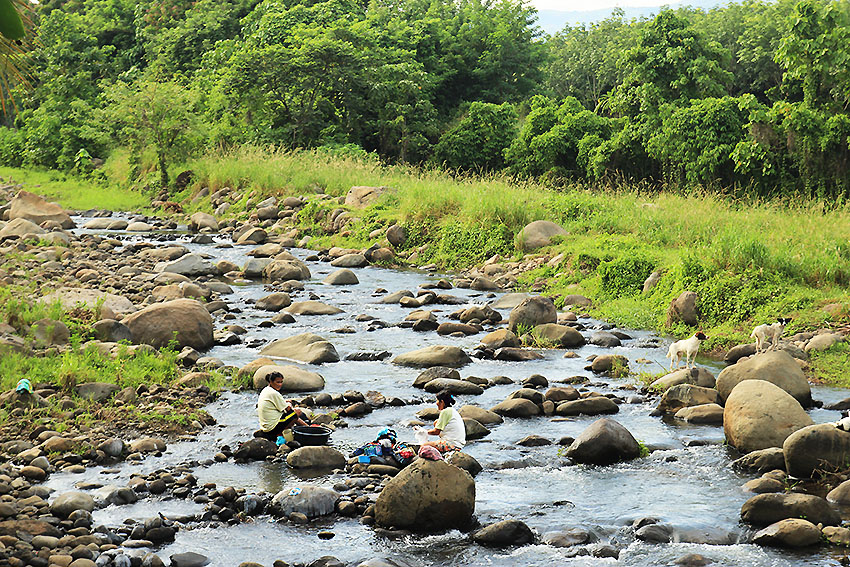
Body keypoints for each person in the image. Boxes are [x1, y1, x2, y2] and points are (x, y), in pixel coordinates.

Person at [256, 371, 309, 441]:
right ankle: (306, 428)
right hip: (272, 427)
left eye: (281, 382)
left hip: (266, 427)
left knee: (292, 414)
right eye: (278, 382)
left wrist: (286, 402)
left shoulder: (266, 390)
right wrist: (290, 404)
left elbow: (278, 404)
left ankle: (307, 427)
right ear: (271, 382)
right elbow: (288, 409)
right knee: (297, 412)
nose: (280, 384)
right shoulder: (274, 393)